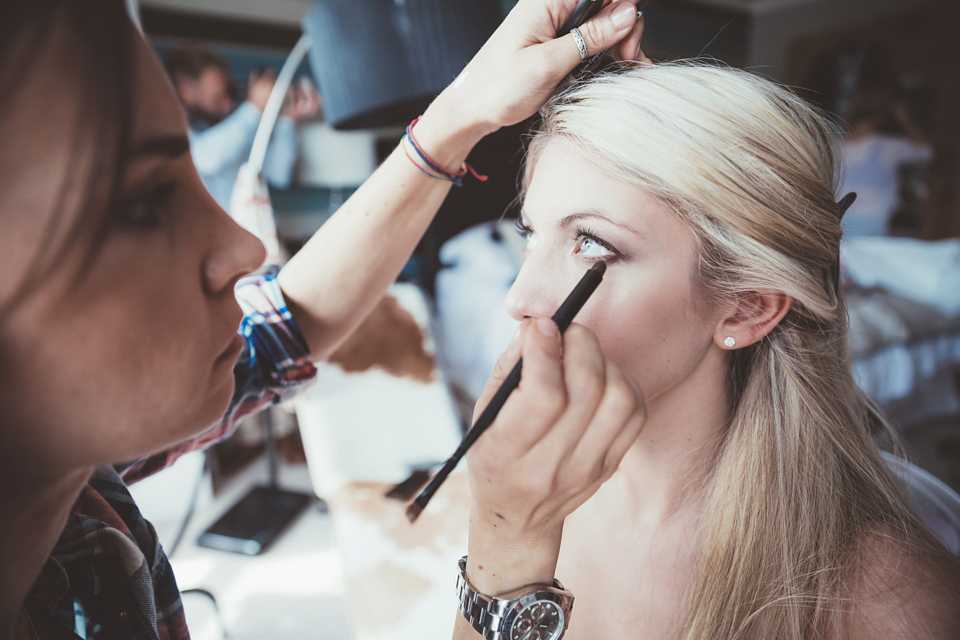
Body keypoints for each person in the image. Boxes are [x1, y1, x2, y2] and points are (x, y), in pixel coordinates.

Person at [0, 0, 644, 638]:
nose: (248, 251)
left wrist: (463, 111)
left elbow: (289, 325)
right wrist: (509, 555)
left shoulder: (84, 517)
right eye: (144, 204)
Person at [453, 58, 960, 639]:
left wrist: (508, 545)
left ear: (747, 307)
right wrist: (503, 541)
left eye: (592, 244)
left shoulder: (895, 607)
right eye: (530, 235)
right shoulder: (535, 488)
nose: (518, 299)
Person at [164, 44, 322, 212]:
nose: (227, 104)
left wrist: (287, 119)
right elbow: (205, 160)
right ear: (185, 93)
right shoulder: (170, 132)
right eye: (217, 97)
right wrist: (254, 108)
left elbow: (278, 175)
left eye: (229, 92)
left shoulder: (230, 124)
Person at [802, 41, 932, 237]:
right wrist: (903, 117)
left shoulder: (832, 146)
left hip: (835, 222)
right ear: (884, 113)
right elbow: (927, 151)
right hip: (870, 227)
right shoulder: (888, 147)